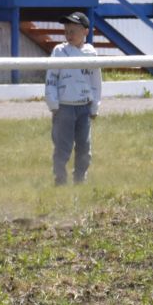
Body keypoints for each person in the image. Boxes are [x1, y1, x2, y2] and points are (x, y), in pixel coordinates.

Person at [45, 12, 102, 184]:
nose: (69, 35)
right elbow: (51, 78)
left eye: (73, 31)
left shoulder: (91, 54)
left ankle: (80, 177)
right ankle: (60, 178)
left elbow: (96, 82)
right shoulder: (59, 51)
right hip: (64, 107)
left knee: (84, 145)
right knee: (63, 146)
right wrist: (53, 103)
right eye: (66, 31)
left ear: (85, 31)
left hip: (84, 107)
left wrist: (94, 106)